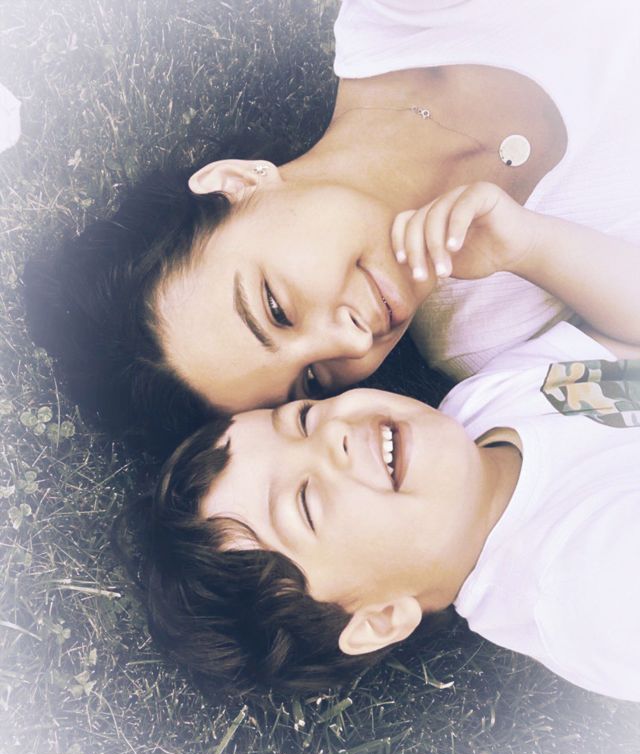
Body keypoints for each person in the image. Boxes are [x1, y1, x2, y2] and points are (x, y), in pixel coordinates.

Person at [25, 0, 640, 453]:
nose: (349, 342)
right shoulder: (482, 347)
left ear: (235, 184)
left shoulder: (408, 18)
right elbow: (629, 389)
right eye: (313, 381)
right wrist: (537, 250)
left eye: (276, 309)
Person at [128, 183, 640, 699]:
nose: (334, 435)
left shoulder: (485, 408)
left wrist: (529, 247)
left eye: (303, 420)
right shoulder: (587, 593)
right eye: (306, 502)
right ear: (380, 618)